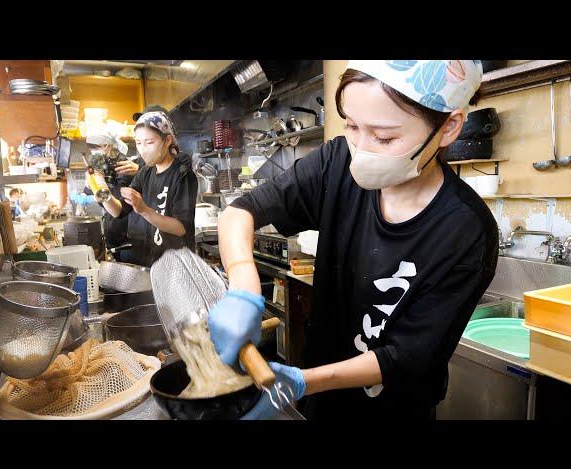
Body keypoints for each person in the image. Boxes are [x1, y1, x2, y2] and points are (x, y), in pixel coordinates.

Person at [208, 60, 499, 420]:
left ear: (449, 126)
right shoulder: (336, 161)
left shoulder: (465, 230)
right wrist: (243, 285)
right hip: (321, 402)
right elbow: (241, 211)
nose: (360, 149)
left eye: (385, 137)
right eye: (351, 125)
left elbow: (406, 357)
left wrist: (302, 382)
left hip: (393, 412)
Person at [97, 110, 198, 267]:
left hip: (179, 266)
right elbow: (119, 211)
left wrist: (144, 210)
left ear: (167, 140)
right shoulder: (145, 172)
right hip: (152, 263)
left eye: (149, 142)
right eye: (138, 143)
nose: (143, 149)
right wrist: (102, 191)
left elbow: (181, 228)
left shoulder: (182, 175)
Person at [84, 131, 144, 261]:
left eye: (96, 147)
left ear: (108, 146)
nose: (94, 151)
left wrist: (101, 186)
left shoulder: (124, 167)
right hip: (112, 234)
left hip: (126, 239)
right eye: (91, 148)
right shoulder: (103, 165)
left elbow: (117, 209)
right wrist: (91, 184)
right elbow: (88, 193)